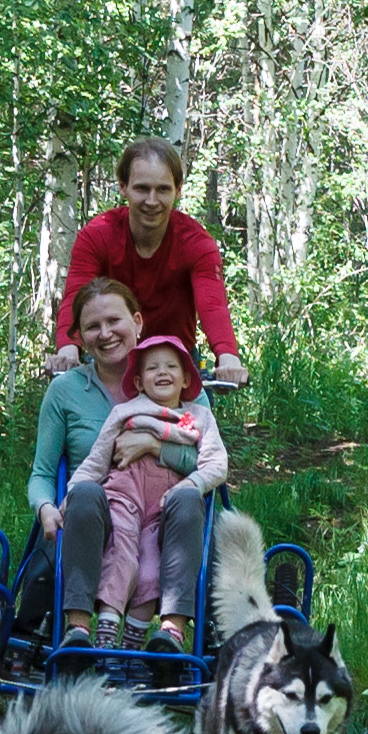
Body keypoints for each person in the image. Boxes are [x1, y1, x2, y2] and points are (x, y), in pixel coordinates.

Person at [32, 277, 218, 649]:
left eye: (114, 321)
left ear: (137, 321)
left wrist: (152, 445)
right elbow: (43, 473)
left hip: (165, 514)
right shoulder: (65, 390)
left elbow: (205, 464)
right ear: (80, 337)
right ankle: (76, 632)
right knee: (83, 494)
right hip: (93, 515)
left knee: (188, 508)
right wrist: (46, 507)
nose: (105, 333)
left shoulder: (183, 394)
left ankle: (170, 635)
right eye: (92, 327)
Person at [57, 139, 244, 391]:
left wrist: (227, 356)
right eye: (142, 189)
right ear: (123, 187)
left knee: (195, 428)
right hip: (111, 358)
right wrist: (69, 349)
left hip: (173, 363)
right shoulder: (98, 235)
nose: (152, 200)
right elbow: (75, 296)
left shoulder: (196, 243)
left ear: (178, 190)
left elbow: (213, 304)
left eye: (163, 190)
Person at [85, 334, 227, 640]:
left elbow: (217, 465)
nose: (162, 372)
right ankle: (106, 632)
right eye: (152, 368)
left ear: (186, 378)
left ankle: (133, 645)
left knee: (151, 569)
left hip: (163, 507)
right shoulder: (124, 412)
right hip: (123, 494)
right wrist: (72, 495)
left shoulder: (199, 416)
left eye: (171, 367)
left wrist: (189, 485)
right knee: (121, 556)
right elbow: (97, 461)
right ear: (137, 383)